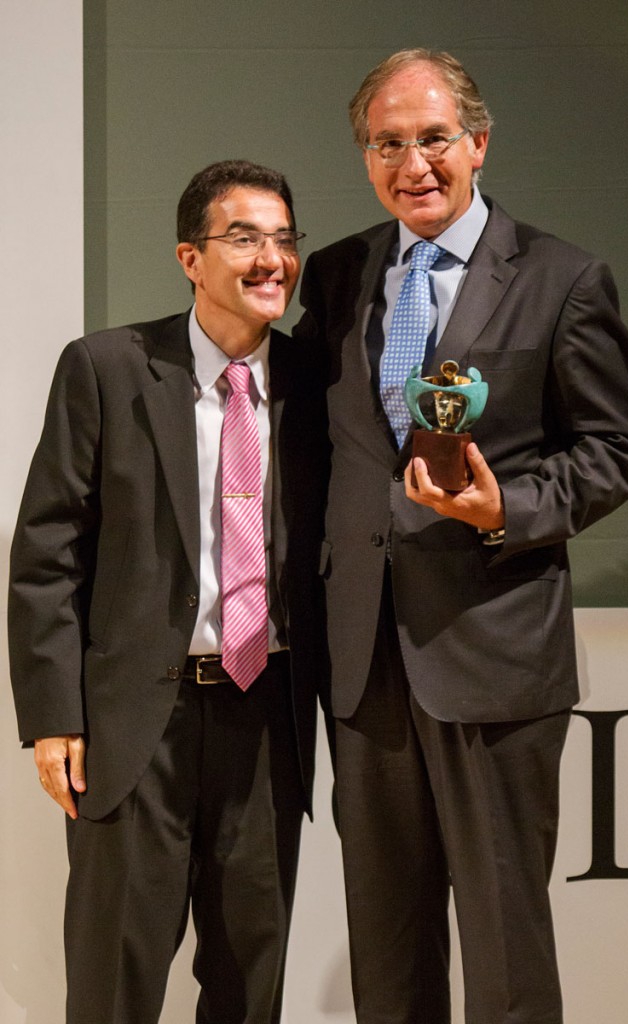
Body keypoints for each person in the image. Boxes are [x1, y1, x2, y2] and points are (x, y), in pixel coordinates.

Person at [295, 49, 628, 1024]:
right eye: (388, 143)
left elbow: (617, 451)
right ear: (366, 158)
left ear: (478, 143)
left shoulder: (563, 278)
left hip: (492, 654)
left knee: (501, 950)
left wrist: (505, 509)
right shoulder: (335, 276)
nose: (413, 162)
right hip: (365, 664)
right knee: (387, 947)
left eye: (433, 138)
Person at [8, 159, 327, 1024]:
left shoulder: (318, 384)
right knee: (115, 981)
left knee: (249, 985)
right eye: (245, 238)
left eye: (285, 239)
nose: (272, 259)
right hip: (130, 726)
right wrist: (52, 716)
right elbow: (46, 552)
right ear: (190, 257)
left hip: (266, 718)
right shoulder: (107, 367)